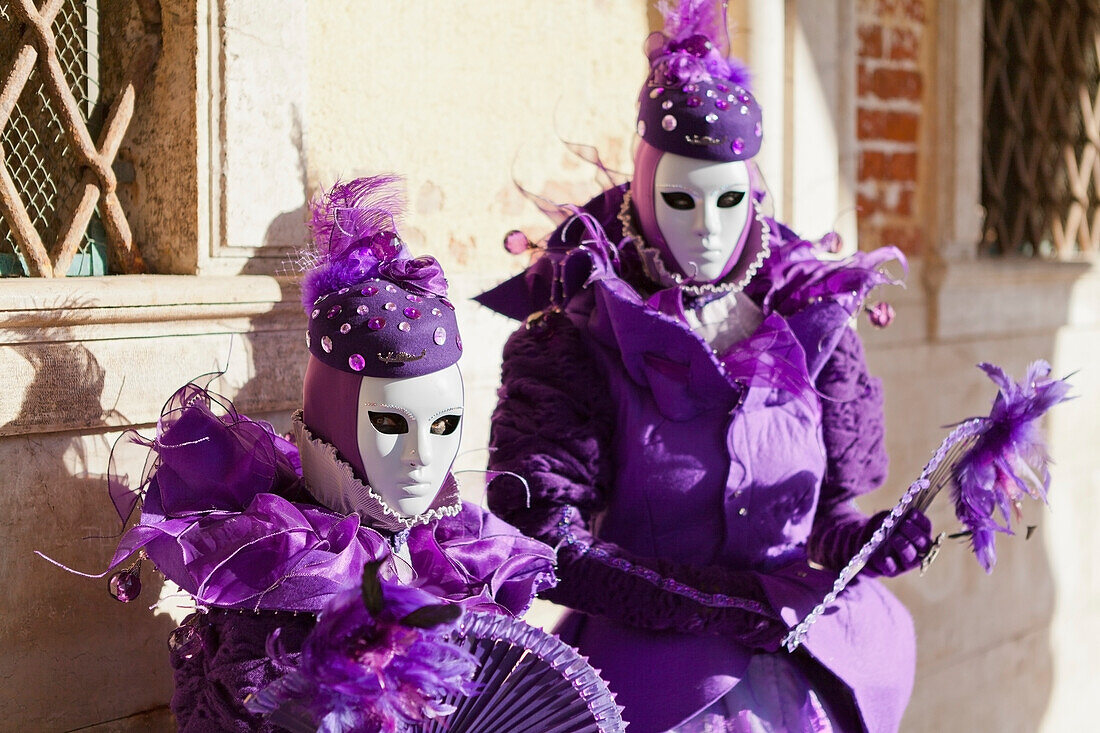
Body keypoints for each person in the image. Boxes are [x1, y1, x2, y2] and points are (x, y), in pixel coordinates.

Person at [479, 3, 932, 731]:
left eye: (728, 200)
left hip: (796, 679)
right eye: (680, 200)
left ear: (753, 193)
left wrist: (870, 542)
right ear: (643, 192)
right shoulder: (579, 337)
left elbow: (828, 521)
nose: (707, 228)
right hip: (650, 685)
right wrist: (705, 603)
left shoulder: (813, 322)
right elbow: (550, 542)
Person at [103, 176, 556, 731]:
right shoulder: (279, 569)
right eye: (390, 422)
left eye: (445, 425)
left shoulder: (459, 554)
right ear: (334, 417)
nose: (421, 456)